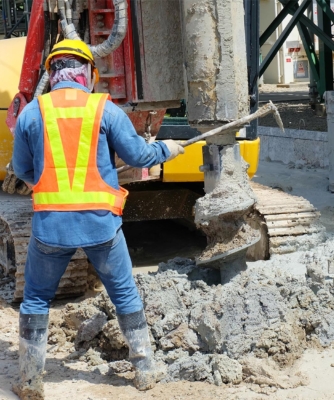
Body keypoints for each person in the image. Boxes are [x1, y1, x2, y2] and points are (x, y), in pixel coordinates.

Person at [11, 39, 184, 399]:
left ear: (52, 74)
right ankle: (146, 370)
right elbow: (138, 156)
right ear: (90, 73)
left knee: (36, 300)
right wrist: (166, 149)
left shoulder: (32, 112)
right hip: (101, 226)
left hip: (50, 228)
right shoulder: (104, 109)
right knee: (124, 293)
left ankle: (29, 380)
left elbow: (24, 170)